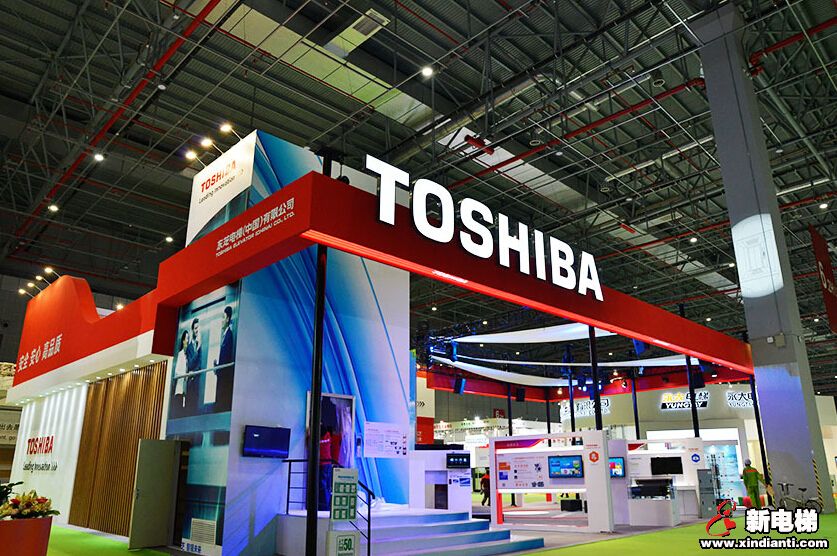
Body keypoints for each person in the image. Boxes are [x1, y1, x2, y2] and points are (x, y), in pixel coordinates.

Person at [214, 306, 235, 411]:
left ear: (228, 319)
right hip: (221, 375)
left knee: (221, 403)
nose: (221, 320)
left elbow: (226, 358)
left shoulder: (229, 335)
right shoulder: (224, 335)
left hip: (224, 378)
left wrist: (219, 369)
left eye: (223, 317)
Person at [184, 318, 202, 414]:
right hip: (190, 384)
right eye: (195, 328)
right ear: (192, 330)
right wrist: (197, 349)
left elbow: (199, 364)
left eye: (198, 328)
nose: (197, 330)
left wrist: (194, 373)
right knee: (189, 409)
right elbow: (190, 364)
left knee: (195, 408)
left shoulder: (199, 345)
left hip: (196, 382)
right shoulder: (189, 347)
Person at [172, 330, 189, 417]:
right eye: (186, 338)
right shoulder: (180, 354)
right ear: (183, 341)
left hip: (184, 390)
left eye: (188, 338)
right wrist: (185, 375)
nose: (188, 341)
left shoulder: (187, 356)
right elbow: (177, 372)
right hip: (179, 389)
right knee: (178, 412)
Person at [318, 427, 333, 511]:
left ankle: (323, 507)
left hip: (322, 464)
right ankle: (326, 507)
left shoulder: (316, 439)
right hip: (328, 463)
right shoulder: (328, 436)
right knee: (327, 486)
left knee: (322, 486)